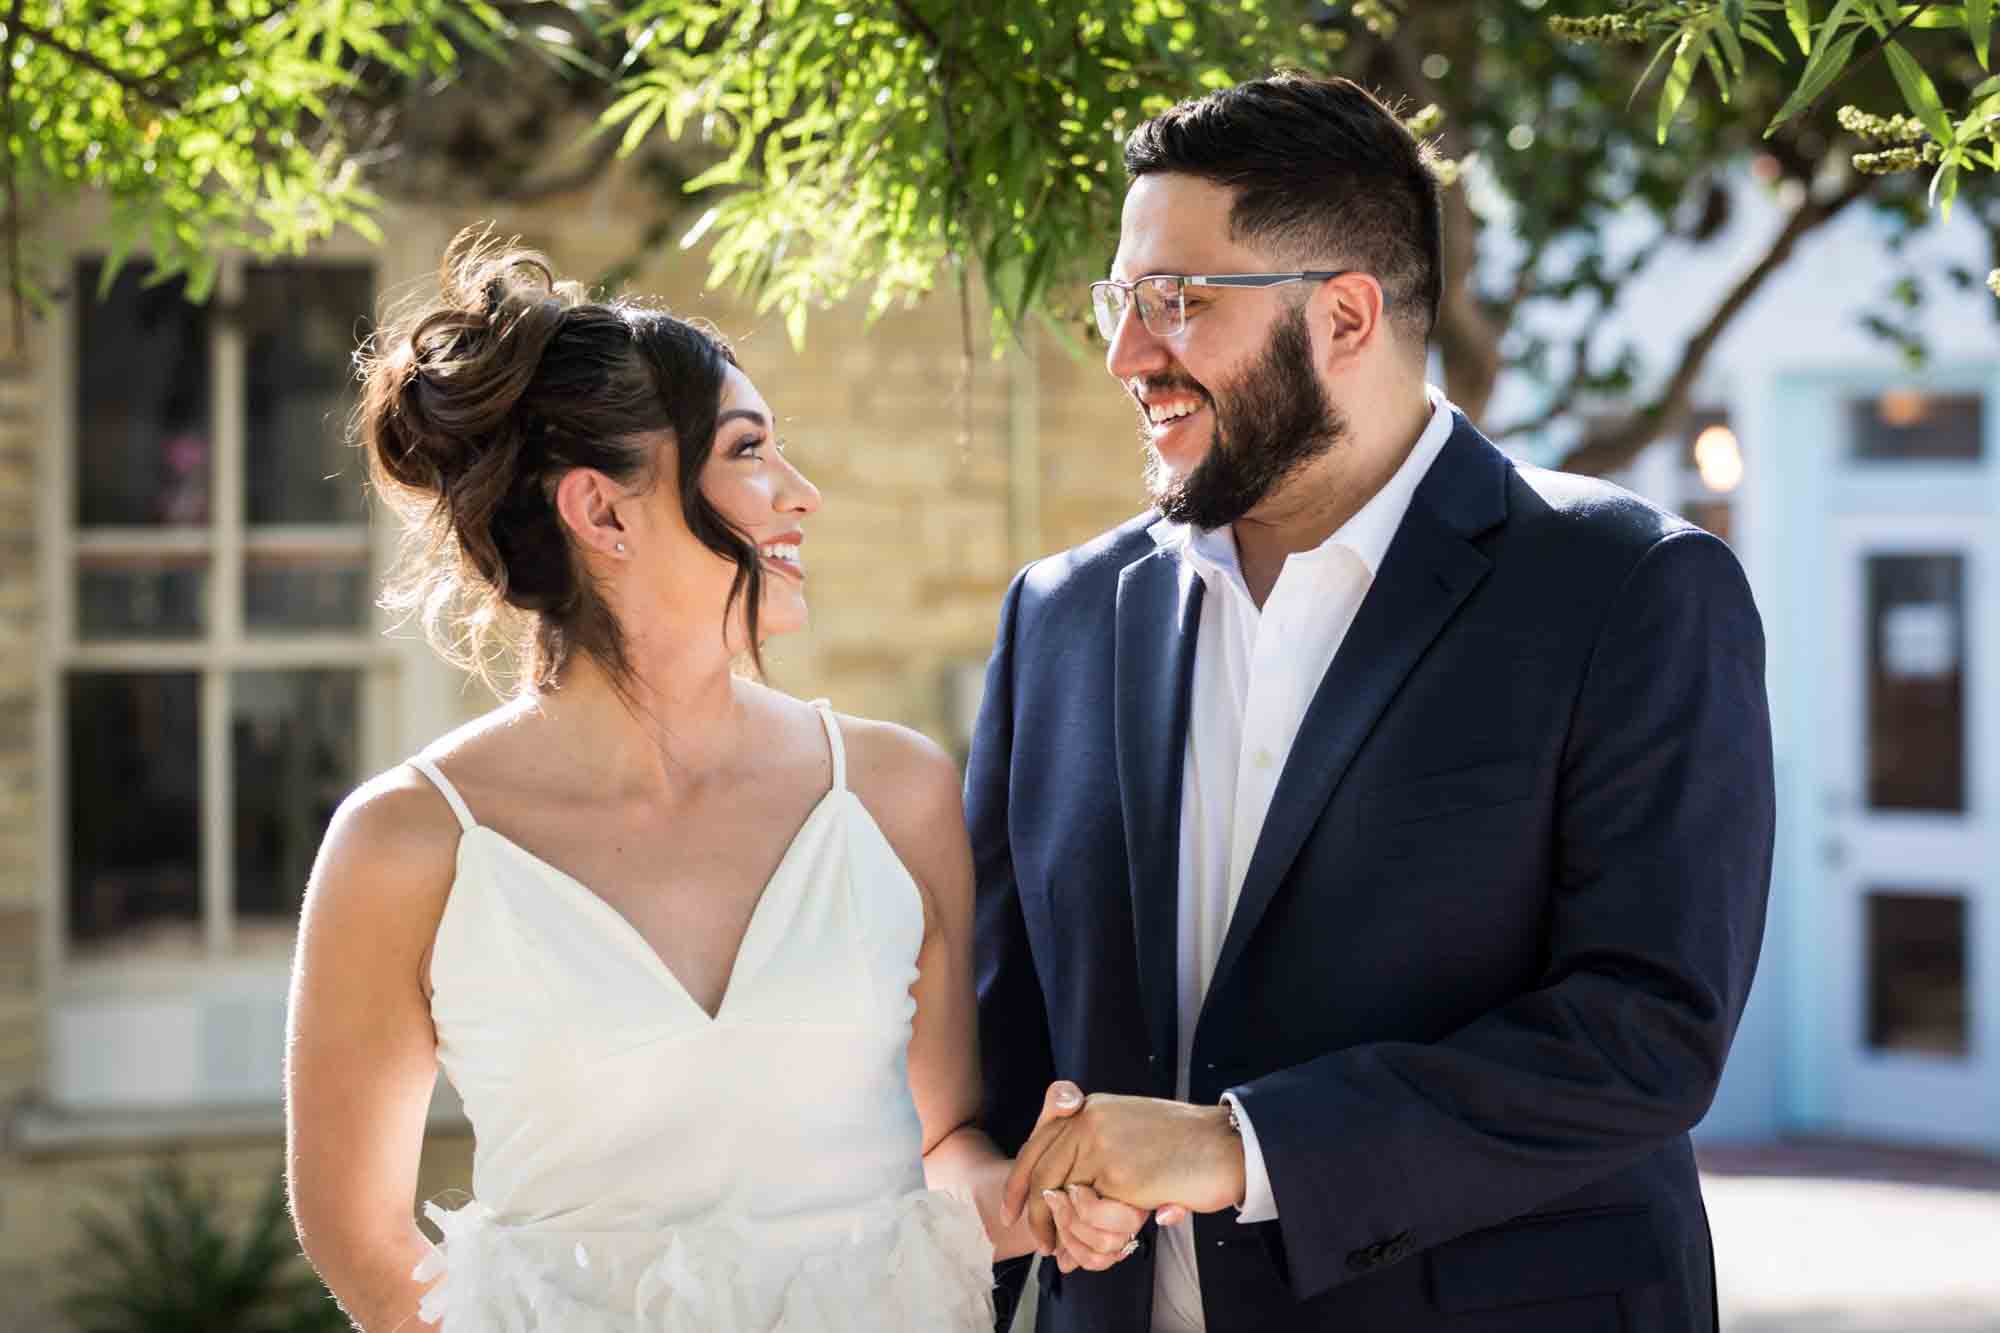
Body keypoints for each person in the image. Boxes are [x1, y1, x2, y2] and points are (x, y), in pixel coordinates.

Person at [968, 73, 1776, 1333]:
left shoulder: (1628, 589)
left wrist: (1236, 1148)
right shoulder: (1058, 615)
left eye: (1176, 303)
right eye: (1120, 304)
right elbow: (1003, 1037)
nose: (1128, 355)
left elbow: (1644, 1034)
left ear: (1344, 315)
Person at [283, 231, 1152, 1332]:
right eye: (747, 452)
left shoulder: (893, 792)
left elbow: (941, 1145)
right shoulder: (407, 842)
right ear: (601, 512)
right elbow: (353, 1230)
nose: (802, 495)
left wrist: (1038, 1206)